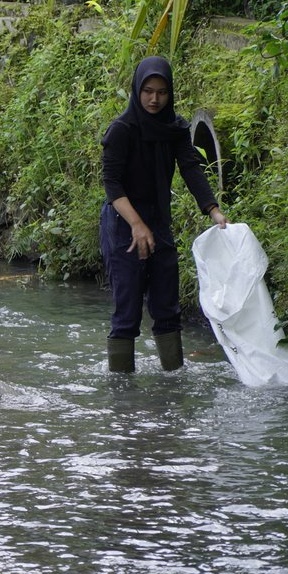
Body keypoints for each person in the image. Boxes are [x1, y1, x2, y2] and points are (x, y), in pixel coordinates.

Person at [100, 56, 228, 373]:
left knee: (167, 308)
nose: (154, 99)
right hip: (123, 224)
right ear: (136, 90)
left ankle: (173, 384)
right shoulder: (122, 130)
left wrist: (213, 209)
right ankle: (122, 396)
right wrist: (137, 225)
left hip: (159, 223)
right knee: (127, 313)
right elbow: (112, 184)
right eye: (147, 91)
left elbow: (190, 167)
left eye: (161, 92)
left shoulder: (175, 128)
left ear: (170, 93)